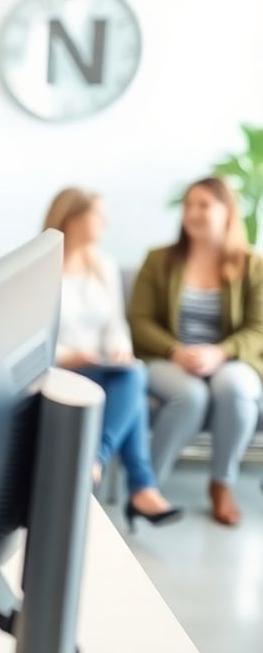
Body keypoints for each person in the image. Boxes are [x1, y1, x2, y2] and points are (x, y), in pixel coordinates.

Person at [43, 188, 180, 531]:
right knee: (134, 384)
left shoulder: (102, 265)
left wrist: (120, 348)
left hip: (101, 367)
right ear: (73, 218)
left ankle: (93, 461)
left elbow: (115, 323)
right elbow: (29, 333)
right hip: (59, 369)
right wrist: (68, 356)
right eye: (98, 215)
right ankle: (141, 488)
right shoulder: (42, 264)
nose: (106, 222)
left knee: (133, 371)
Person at [130, 177, 263, 526]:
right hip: (168, 357)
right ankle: (146, 487)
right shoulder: (158, 260)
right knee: (189, 396)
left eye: (204, 204)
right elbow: (140, 320)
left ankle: (222, 483)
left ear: (226, 211)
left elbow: (258, 328)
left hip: (229, 359)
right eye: (189, 205)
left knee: (235, 389)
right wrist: (174, 349)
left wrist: (220, 353)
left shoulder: (253, 266)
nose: (193, 213)